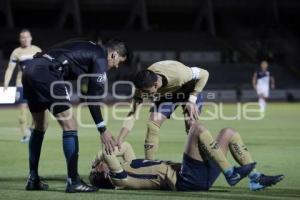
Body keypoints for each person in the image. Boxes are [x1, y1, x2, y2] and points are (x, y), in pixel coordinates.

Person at [22, 39, 129, 192]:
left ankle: (33, 179)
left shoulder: (89, 46)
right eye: (119, 61)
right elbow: (92, 98)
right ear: (113, 54)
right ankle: (74, 181)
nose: (117, 65)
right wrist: (102, 129)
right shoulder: (100, 56)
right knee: (70, 125)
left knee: (40, 125)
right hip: (47, 72)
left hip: (30, 68)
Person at [89, 122, 284, 191]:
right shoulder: (119, 180)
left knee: (228, 133)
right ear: (103, 173)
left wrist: (101, 158)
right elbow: (108, 155)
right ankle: (231, 173)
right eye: (98, 168)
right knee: (197, 129)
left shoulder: (126, 163)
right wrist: (98, 158)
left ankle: (255, 178)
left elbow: (125, 145)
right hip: (187, 179)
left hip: (196, 174)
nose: (100, 164)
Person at [117, 60, 209, 160]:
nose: (145, 95)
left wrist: (192, 100)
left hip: (189, 91)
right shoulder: (142, 88)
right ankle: (149, 165)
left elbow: (204, 74)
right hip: (167, 94)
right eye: (143, 92)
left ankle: (200, 163)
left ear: (156, 85)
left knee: (191, 126)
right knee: (152, 124)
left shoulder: (180, 74)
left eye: (147, 92)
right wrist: (120, 138)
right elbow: (132, 113)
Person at [4, 29, 41, 143]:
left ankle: (31, 129)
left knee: (38, 110)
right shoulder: (16, 52)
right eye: (22, 37)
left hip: (35, 84)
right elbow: (10, 69)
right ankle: (25, 135)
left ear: (31, 38)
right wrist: (6, 83)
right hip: (22, 84)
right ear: (20, 39)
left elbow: (43, 67)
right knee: (22, 111)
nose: (25, 39)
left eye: (27, 37)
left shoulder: (37, 50)